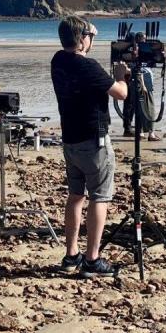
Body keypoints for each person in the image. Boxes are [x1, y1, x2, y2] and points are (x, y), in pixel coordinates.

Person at [51, 16, 128, 277]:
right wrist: (122, 77)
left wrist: (88, 35)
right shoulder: (87, 66)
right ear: (82, 39)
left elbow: (79, 52)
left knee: (75, 196)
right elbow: (121, 93)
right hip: (93, 141)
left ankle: (71, 255)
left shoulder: (58, 61)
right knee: (99, 197)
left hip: (70, 140)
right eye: (88, 37)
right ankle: (93, 259)